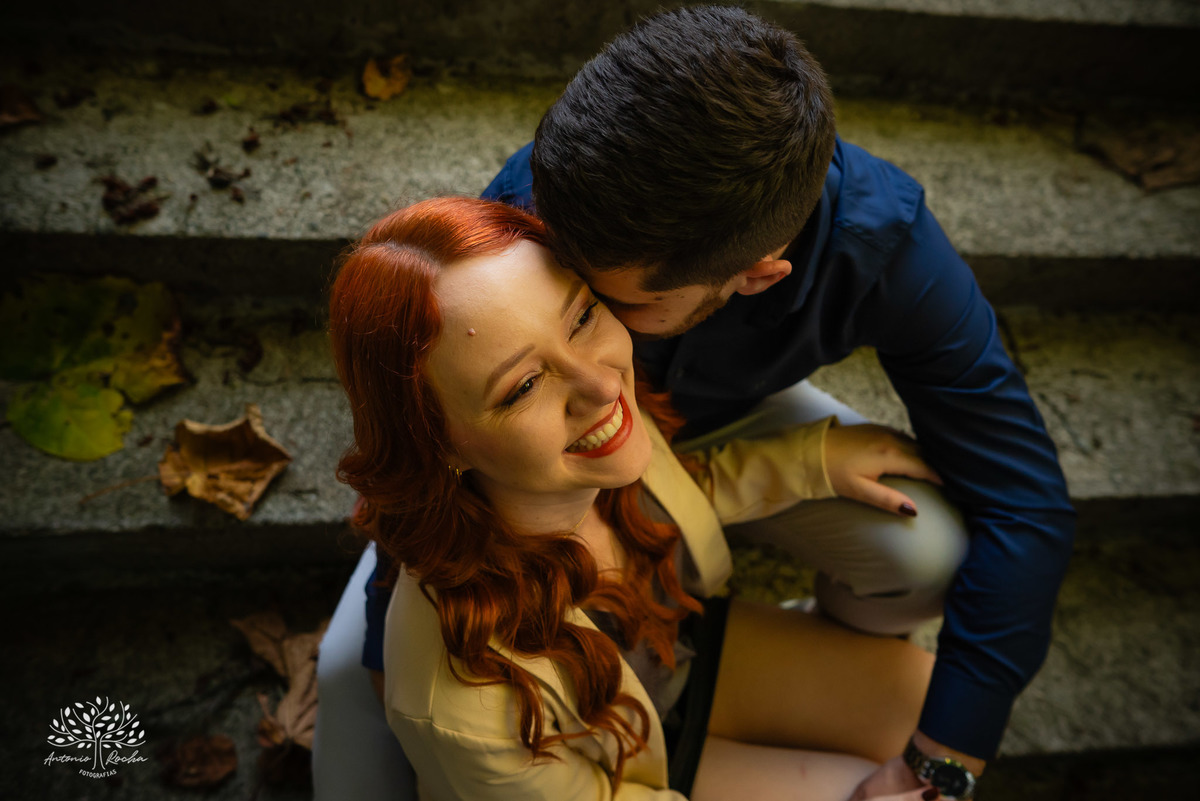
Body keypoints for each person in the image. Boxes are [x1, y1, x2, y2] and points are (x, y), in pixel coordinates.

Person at [323, 195, 946, 800]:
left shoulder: (588, 441)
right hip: (616, 773)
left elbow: (680, 495)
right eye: (524, 386)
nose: (601, 384)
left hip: (679, 659)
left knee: (930, 710)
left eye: (581, 317)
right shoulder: (463, 704)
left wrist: (813, 461)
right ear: (438, 444)